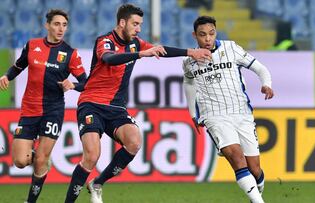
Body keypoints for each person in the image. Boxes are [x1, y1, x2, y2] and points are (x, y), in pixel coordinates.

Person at [64, 4, 211, 203]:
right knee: (91, 156)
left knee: (134, 142)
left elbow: (160, 50)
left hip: (116, 107)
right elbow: (109, 59)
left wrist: (190, 52)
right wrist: (140, 54)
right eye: (135, 24)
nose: (138, 29)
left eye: (140, 24)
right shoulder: (104, 41)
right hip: (92, 103)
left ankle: (97, 184)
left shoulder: (136, 42)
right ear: (122, 23)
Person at [182, 16, 274, 203]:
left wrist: (266, 84)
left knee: (254, 168)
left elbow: (260, 68)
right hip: (214, 116)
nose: (207, 39)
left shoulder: (231, 48)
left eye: (211, 33)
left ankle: (257, 194)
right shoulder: (189, 61)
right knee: (236, 157)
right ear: (195, 36)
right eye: (202, 35)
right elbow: (188, 82)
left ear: (216, 31)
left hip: (241, 113)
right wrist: (193, 112)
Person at [0, 9, 87, 203]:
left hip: (53, 111)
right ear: (47, 25)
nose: (60, 29)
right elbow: (19, 66)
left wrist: (73, 85)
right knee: (20, 161)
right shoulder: (32, 45)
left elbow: (86, 82)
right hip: (29, 109)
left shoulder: (70, 54)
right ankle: (41, 155)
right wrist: (6, 75)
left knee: (40, 159)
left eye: (64, 25)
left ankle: (30, 201)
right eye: (56, 24)